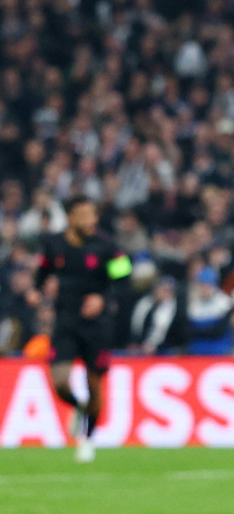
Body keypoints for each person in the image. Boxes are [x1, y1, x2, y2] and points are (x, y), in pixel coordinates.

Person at [34, 196, 133, 462]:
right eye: (84, 215)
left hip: (97, 325)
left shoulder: (107, 247)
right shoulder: (53, 244)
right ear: (70, 218)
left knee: (94, 383)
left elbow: (125, 280)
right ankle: (78, 408)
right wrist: (38, 292)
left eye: (93, 214)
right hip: (65, 320)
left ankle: (88, 439)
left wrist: (103, 299)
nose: (91, 220)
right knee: (60, 381)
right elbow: (41, 274)